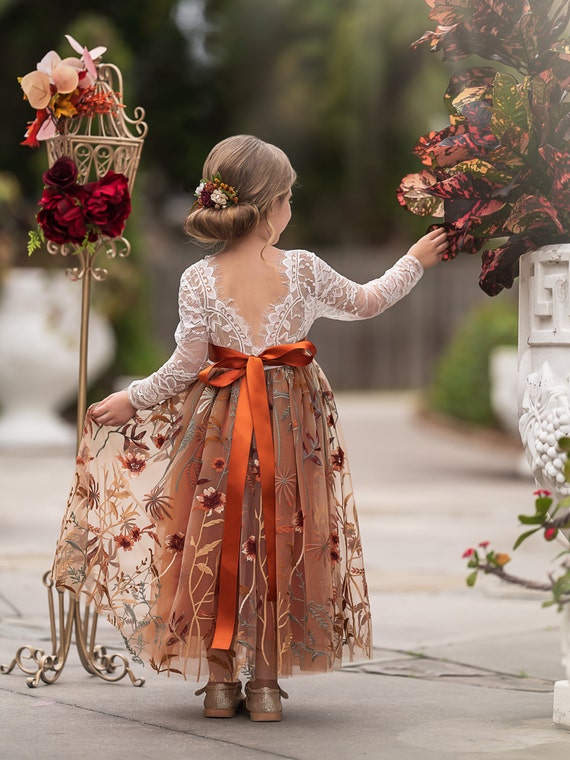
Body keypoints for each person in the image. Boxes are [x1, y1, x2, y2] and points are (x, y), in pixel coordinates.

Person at [52, 134, 447, 722]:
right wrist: (415, 260)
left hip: (218, 424)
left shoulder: (199, 279)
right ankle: (263, 687)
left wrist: (132, 399)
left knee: (214, 537)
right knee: (282, 537)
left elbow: (185, 365)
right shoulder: (303, 269)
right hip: (292, 422)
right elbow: (367, 301)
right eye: (289, 199)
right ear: (270, 206)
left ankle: (217, 685)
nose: (293, 211)